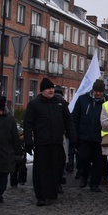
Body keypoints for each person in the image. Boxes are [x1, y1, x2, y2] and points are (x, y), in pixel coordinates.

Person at [23, 77, 76, 206]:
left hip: (57, 142)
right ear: (42, 91)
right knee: (41, 171)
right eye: (48, 89)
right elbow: (28, 125)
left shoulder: (61, 103)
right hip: (42, 143)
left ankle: (52, 192)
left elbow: (68, 122)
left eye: (52, 88)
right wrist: (28, 142)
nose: (51, 90)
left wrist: (73, 139)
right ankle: (40, 196)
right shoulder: (34, 104)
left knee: (57, 168)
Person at [71, 79, 108, 193]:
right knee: (84, 160)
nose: (98, 93)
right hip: (84, 137)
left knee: (98, 162)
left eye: (100, 91)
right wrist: (75, 135)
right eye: (96, 91)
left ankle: (94, 184)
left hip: (100, 138)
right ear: (93, 90)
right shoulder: (83, 99)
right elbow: (75, 118)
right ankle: (84, 177)